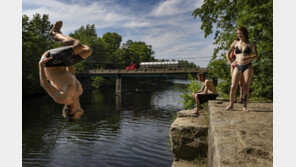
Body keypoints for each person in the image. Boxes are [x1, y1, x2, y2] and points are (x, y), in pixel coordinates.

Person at [39, 21, 92, 122]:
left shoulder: (62, 99)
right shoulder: (80, 92)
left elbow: (44, 84)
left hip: (50, 63)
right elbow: (71, 75)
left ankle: (55, 33)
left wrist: (40, 65)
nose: (80, 116)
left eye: (77, 117)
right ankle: (59, 36)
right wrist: (70, 60)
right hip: (64, 64)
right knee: (87, 50)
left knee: (78, 46)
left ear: (70, 112)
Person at [225, 26, 258, 112]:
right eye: (237, 33)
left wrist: (247, 58)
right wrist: (230, 62)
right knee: (233, 86)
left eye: (240, 33)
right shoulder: (235, 43)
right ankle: (231, 104)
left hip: (248, 66)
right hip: (237, 66)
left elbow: (256, 56)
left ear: (245, 33)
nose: (238, 35)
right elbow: (228, 53)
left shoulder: (251, 44)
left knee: (246, 86)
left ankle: (244, 106)